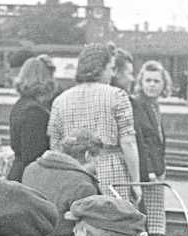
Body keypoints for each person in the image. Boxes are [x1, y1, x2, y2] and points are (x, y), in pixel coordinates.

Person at [48, 43, 140, 202]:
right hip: (111, 171)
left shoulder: (60, 100)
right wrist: (136, 182)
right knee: (113, 213)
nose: (112, 74)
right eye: (111, 68)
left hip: (72, 170)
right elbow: (128, 142)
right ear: (101, 68)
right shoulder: (117, 96)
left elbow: (55, 145)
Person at [20, 130, 102, 236]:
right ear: (88, 155)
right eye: (97, 160)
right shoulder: (83, 185)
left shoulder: (30, 169)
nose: (97, 166)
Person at [131, 60, 169, 236]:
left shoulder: (154, 105)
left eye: (156, 81)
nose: (152, 85)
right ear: (141, 82)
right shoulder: (138, 104)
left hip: (156, 170)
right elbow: (142, 140)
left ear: (163, 84)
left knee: (154, 217)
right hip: (148, 172)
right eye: (148, 80)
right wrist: (151, 170)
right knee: (150, 220)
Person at [7, 55, 56, 181]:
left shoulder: (20, 105)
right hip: (29, 177)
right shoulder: (35, 112)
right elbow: (33, 154)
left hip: (18, 172)